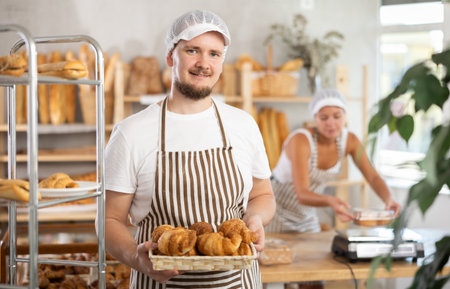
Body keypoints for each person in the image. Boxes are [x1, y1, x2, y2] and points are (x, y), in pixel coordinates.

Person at [99, 9, 276, 289]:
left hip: (237, 283)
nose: (203, 63)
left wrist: (255, 217)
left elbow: (263, 195)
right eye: (192, 50)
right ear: (171, 56)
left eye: (214, 54)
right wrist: (136, 257)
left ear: (221, 62)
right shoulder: (131, 132)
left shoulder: (243, 124)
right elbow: (108, 220)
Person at [265, 88, 401, 288]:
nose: (331, 123)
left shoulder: (349, 140)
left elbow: (372, 175)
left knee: (312, 277)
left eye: (337, 116)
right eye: (324, 117)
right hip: (275, 212)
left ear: (345, 116)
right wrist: (331, 201)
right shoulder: (300, 140)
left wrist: (388, 198)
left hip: (306, 214)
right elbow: (302, 193)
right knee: (269, 273)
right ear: (315, 118)